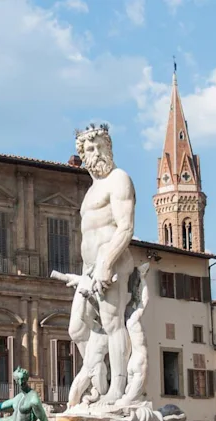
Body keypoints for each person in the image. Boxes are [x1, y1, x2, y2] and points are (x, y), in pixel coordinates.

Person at [74, 124, 136, 404]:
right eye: (90, 148)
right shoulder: (90, 191)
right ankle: (99, 382)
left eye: (101, 146)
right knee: (76, 328)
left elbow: (126, 227)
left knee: (113, 323)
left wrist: (107, 263)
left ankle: (117, 389)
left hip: (112, 260)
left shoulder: (119, 179)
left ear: (109, 148)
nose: (96, 152)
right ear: (82, 155)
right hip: (88, 268)